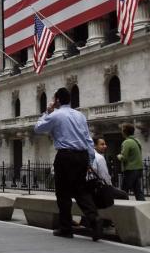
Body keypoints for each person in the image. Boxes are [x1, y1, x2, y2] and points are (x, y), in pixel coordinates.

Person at [34, 87, 102, 241]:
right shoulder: (80, 115)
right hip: (82, 155)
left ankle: (66, 228)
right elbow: (88, 140)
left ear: (57, 100)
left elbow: (38, 128)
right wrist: (90, 161)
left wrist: (47, 111)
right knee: (81, 191)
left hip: (65, 156)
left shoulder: (56, 115)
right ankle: (94, 219)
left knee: (63, 193)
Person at [117, 123, 145, 201]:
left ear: (125, 132)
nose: (121, 132)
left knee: (123, 191)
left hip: (130, 170)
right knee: (138, 191)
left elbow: (124, 158)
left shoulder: (127, 142)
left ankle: (123, 208)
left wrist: (118, 156)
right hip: (139, 169)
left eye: (122, 130)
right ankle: (143, 206)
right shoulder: (137, 141)